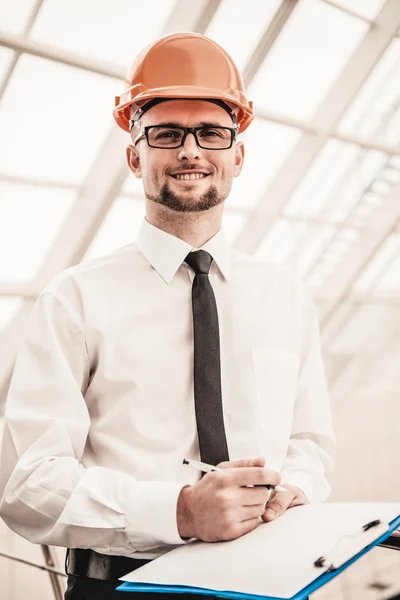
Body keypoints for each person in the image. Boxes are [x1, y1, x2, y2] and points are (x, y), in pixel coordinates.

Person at [0, 33, 335, 600]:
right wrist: (179, 511)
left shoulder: (286, 293)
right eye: (167, 134)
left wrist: (294, 488)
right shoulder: (74, 299)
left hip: (271, 579)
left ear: (238, 155)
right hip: (120, 587)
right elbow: (28, 483)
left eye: (210, 132)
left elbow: (310, 443)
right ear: (136, 156)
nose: (190, 150)